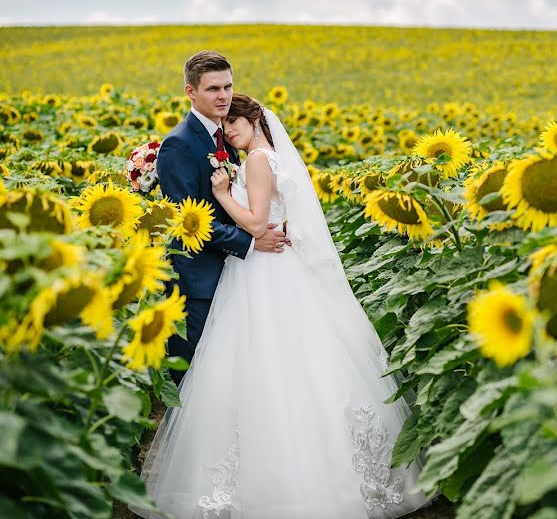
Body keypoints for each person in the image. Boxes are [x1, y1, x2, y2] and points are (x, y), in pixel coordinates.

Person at [131, 92, 431, 518]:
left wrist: (220, 193)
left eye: (236, 121)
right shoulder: (269, 157)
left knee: (261, 358)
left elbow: (255, 223)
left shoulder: (255, 160)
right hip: (275, 264)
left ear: (256, 120)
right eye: (227, 122)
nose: (230, 129)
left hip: (262, 268)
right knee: (295, 361)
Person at [156, 51, 288, 385]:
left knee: (229, 376)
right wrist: (252, 241)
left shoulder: (227, 140)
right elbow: (189, 222)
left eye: (228, 86)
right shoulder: (178, 144)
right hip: (196, 281)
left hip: (233, 276)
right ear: (191, 92)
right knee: (192, 380)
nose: (224, 96)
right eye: (214, 88)